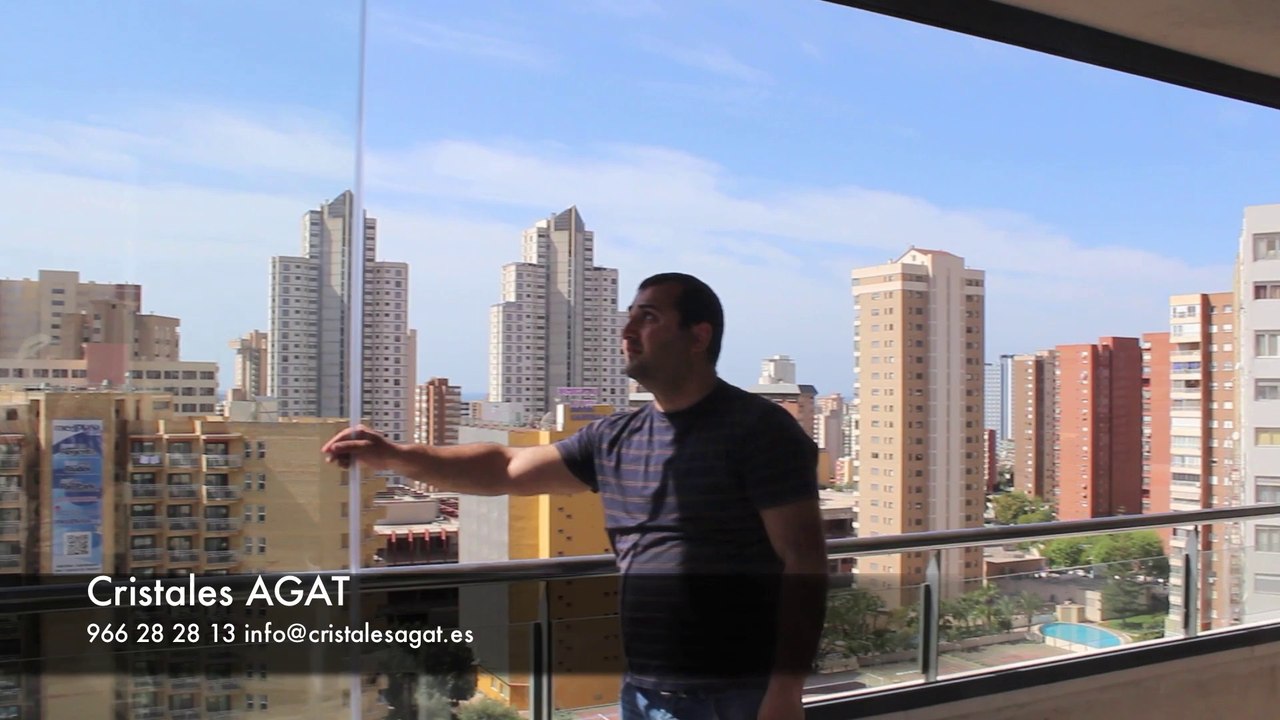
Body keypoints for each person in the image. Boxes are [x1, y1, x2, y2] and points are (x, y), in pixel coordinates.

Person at [323, 272, 828, 720]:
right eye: (627, 318)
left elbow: (803, 560)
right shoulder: (617, 436)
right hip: (646, 690)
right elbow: (507, 467)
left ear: (699, 336)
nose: (627, 332)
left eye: (647, 318)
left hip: (737, 692)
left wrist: (785, 691)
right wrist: (397, 456)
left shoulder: (760, 431)